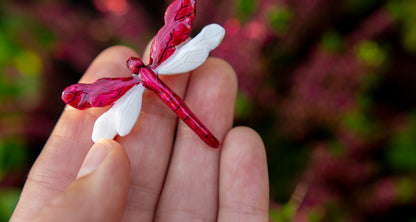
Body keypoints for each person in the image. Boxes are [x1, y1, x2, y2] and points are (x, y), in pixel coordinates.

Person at [10, 46, 269, 221]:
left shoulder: (131, 82)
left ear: (135, 69)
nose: (134, 64)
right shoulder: (155, 65)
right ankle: (209, 137)